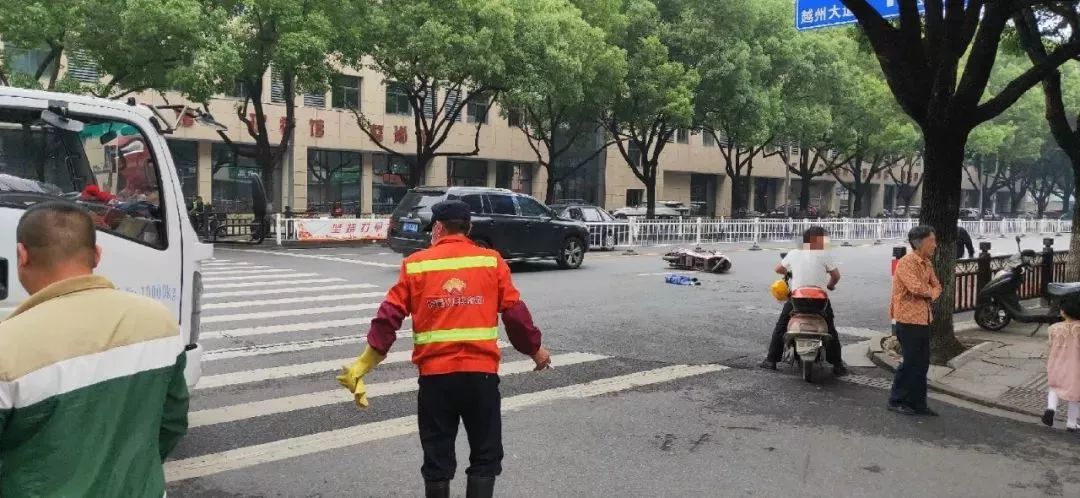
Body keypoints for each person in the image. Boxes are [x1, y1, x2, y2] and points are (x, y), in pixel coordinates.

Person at [337, 199, 552, 498]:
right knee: (485, 456)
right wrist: (536, 351)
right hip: (481, 378)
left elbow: (388, 318)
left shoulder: (416, 265)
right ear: (469, 228)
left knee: (437, 459)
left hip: (435, 381)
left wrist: (363, 365)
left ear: (438, 228)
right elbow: (515, 315)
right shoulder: (491, 262)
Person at [0, 202, 189, 496]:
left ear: (22, 255)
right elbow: (172, 423)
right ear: (98, 255)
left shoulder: (7, 346)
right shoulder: (159, 320)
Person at [759, 226, 847, 376]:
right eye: (824, 239)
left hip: (797, 300)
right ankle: (838, 365)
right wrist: (830, 286)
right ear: (815, 240)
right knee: (830, 327)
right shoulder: (825, 255)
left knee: (781, 326)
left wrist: (792, 271)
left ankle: (771, 360)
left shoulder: (794, 253)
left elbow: (778, 269)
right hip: (820, 301)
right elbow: (836, 276)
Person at [888, 225, 942, 417]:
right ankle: (897, 400)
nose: (935, 245)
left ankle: (918, 403)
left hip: (923, 318)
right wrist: (929, 293)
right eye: (932, 241)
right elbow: (916, 289)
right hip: (908, 318)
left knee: (922, 363)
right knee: (910, 362)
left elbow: (937, 287)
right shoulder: (906, 262)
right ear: (919, 243)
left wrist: (930, 293)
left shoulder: (927, 263)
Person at [1042, 296, 1080, 432]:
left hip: (1056, 362)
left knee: (1054, 387)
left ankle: (1051, 408)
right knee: (1075, 394)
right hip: (1076, 366)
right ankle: (1071, 423)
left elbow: (1050, 345)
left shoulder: (1053, 328)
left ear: (1063, 312)